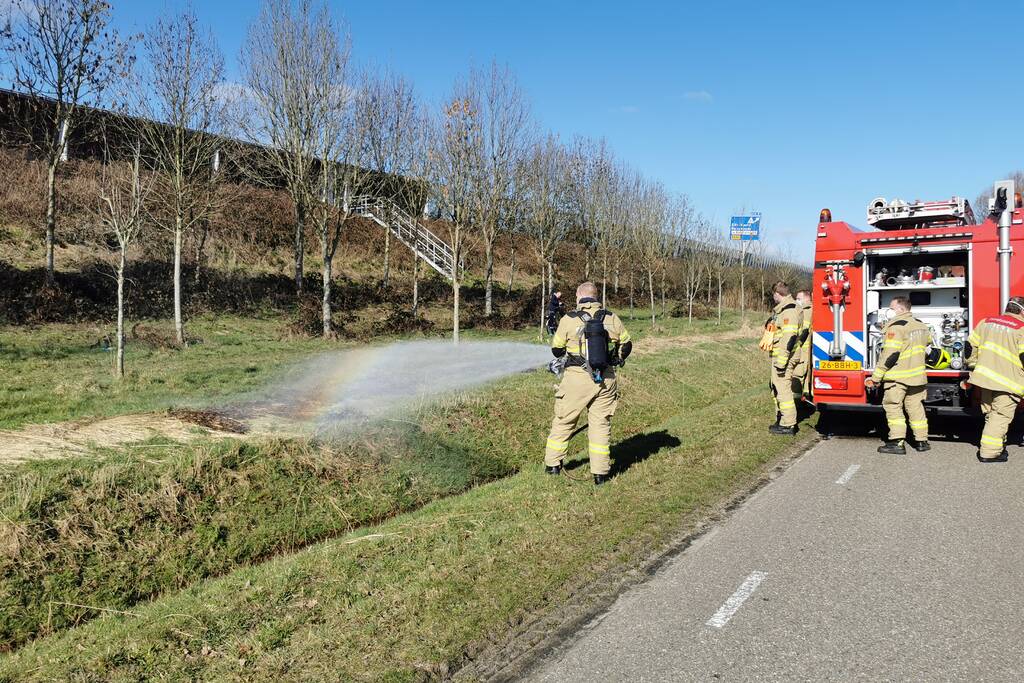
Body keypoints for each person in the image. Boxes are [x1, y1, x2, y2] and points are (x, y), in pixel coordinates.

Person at [544, 282, 632, 485]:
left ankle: (553, 466)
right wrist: (616, 358)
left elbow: (556, 350)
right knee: (600, 425)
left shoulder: (569, 319)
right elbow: (626, 344)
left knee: (564, 421)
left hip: (577, 379)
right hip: (606, 379)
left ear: (579, 297)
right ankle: (600, 475)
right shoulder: (611, 317)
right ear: (596, 297)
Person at [864, 296, 930, 454]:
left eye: (891, 308)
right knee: (915, 408)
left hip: (898, 377)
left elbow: (890, 355)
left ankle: (897, 442)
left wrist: (876, 378)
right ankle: (922, 441)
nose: (889, 311)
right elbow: (927, 345)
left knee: (894, 407)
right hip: (917, 376)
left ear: (900, 309)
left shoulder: (896, 326)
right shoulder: (921, 325)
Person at [964, 296, 1024, 462]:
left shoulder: (986, 322)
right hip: (1008, 381)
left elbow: (969, 346)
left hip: (984, 379)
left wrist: (972, 365)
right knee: (1000, 416)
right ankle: (989, 453)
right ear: (1021, 311)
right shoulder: (1021, 328)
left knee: (991, 414)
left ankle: (999, 445)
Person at [768, 282, 803, 435]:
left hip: (785, 358)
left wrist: (782, 361)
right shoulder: (784, 310)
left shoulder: (790, 310)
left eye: (773, 295)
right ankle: (782, 419)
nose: (773, 298)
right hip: (781, 357)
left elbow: (790, 337)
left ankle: (788, 424)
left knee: (783, 390)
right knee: (777, 388)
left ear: (777, 293)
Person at [790, 290, 813, 401]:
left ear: (806, 299)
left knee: (798, 375)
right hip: (804, 350)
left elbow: (804, 331)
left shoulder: (806, 311)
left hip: (803, 350)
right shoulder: (807, 310)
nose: (796, 300)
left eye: (798, 298)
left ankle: (798, 402)